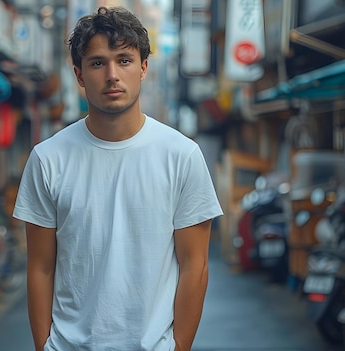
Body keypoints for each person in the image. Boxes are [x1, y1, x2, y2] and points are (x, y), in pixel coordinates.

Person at [13, 6, 223, 351]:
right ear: (79, 75)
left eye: (124, 60)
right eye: (98, 63)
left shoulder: (181, 156)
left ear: (143, 69)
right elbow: (39, 267)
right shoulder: (47, 159)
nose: (112, 74)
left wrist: (178, 347)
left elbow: (195, 267)